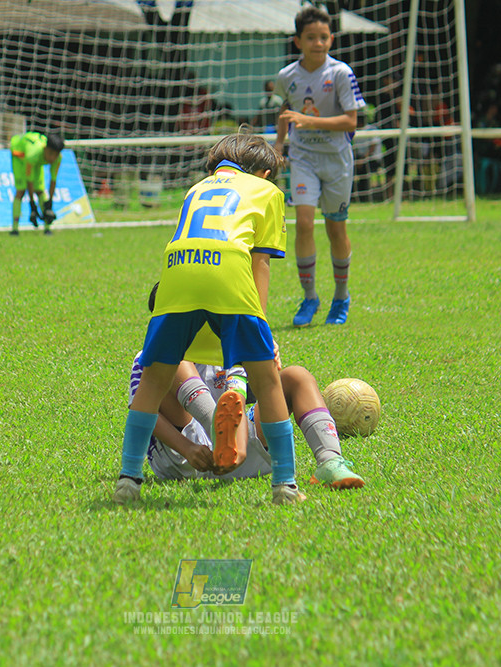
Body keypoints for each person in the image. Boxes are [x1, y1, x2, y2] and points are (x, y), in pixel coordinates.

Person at [113, 133, 305, 506]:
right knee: (266, 380)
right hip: (227, 271)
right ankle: (285, 484)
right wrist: (261, 327)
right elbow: (259, 263)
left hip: (176, 271)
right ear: (265, 172)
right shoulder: (267, 192)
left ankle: (128, 478)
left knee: (154, 379)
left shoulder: (196, 188)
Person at [127, 287, 365, 488]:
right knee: (172, 357)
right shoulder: (146, 357)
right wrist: (188, 448)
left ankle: (330, 460)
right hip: (182, 457)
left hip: (238, 455)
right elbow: (143, 412)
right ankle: (215, 425)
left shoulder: (225, 350)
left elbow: (248, 395)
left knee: (296, 377)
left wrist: (263, 359)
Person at [274, 6, 365, 327]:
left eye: (324, 37)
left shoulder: (340, 73)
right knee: (303, 222)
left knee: (335, 228)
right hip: (303, 158)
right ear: (298, 41)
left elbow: (352, 121)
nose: (318, 43)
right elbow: (285, 111)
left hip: (337, 160)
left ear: (331, 39)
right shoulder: (287, 77)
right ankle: (309, 296)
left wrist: (308, 120)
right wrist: (279, 145)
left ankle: (341, 296)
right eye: (311, 37)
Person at [9, 130, 64, 235]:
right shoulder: (32, 155)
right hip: (19, 155)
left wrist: (50, 203)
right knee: (21, 190)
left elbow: (53, 180)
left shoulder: (58, 158)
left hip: (37, 162)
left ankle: (47, 228)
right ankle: (15, 229)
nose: (53, 158)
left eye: (56, 155)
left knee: (40, 191)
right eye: (51, 154)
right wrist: (32, 205)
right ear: (45, 149)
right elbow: (30, 181)